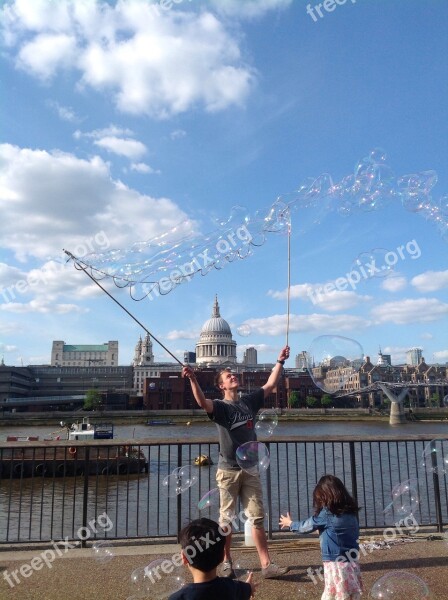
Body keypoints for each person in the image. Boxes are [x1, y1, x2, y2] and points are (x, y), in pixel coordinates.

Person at [182, 345, 290, 579]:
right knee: (226, 519)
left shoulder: (249, 402)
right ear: (222, 385)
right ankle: (226, 560)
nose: (234, 376)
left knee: (257, 516)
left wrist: (280, 361)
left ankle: (266, 565)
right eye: (228, 376)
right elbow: (203, 403)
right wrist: (192, 379)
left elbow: (270, 385)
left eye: (233, 374)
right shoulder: (220, 408)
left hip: (250, 470)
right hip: (228, 471)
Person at [279, 474, 363, 600]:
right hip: (352, 562)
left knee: (332, 594)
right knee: (350, 594)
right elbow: (340, 532)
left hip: (335, 563)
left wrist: (290, 523)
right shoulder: (351, 513)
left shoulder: (327, 514)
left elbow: (306, 526)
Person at [168, 518, 254, 600]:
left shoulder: (178, 597)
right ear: (222, 557)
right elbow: (248, 589)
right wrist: (249, 587)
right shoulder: (234, 588)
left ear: (184, 557)